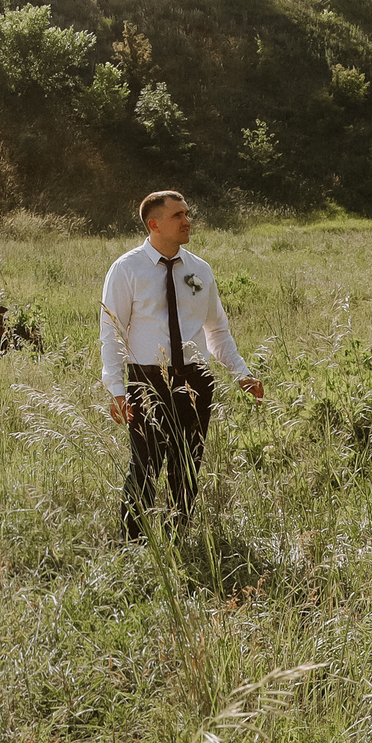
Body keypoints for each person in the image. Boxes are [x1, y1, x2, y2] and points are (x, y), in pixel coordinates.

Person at [100, 190, 264, 539]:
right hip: (148, 381)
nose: (188, 220)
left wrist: (241, 373)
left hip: (196, 381)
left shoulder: (200, 269)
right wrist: (116, 389)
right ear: (154, 224)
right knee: (145, 465)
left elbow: (216, 329)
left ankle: (178, 537)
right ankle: (133, 543)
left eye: (187, 213)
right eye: (178, 216)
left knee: (187, 466)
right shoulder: (127, 269)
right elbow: (112, 334)